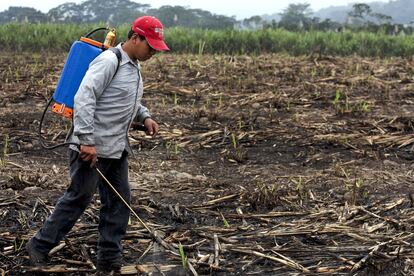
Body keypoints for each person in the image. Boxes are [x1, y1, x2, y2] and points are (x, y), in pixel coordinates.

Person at [26, 16, 169, 274]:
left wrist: (144, 116)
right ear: (135, 38)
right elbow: (84, 97)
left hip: (116, 147)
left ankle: (109, 259)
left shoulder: (133, 66)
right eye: (151, 46)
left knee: (119, 201)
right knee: (79, 197)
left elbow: (127, 100)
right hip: (90, 146)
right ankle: (39, 245)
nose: (153, 53)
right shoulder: (109, 61)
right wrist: (86, 141)